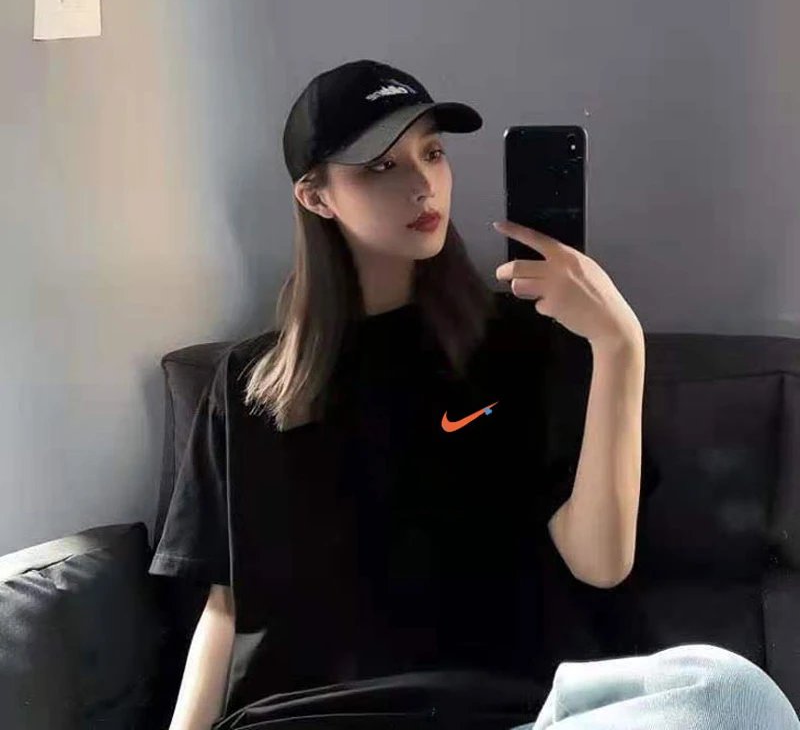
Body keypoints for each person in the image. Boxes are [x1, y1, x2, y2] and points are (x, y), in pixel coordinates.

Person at [148, 59, 800, 729]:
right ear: (317, 197)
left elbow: (601, 562)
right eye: (382, 165)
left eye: (432, 153)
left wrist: (618, 347)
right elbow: (224, 609)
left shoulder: (523, 342)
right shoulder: (246, 384)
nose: (422, 184)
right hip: (300, 721)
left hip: (500, 714)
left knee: (731, 694)